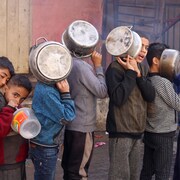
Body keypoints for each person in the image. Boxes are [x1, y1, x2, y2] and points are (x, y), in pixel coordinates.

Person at [105, 36, 155, 180]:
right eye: (141, 46)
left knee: (133, 176)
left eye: (146, 47)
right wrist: (130, 72)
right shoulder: (115, 68)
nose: (144, 51)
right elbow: (118, 98)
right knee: (119, 176)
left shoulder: (143, 68)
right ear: (130, 46)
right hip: (121, 132)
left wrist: (138, 75)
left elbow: (150, 96)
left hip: (138, 132)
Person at [61, 50, 107, 180]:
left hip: (72, 125)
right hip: (82, 127)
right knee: (79, 171)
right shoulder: (81, 66)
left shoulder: (68, 63)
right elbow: (102, 91)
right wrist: (98, 66)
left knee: (70, 169)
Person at [140, 43, 180, 180]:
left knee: (146, 171)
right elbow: (178, 104)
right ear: (156, 60)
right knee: (162, 173)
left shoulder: (147, 78)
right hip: (163, 134)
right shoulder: (162, 82)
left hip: (150, 132)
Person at [29, 78, 76, 180]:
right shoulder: (47, 91)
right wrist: (66, 93)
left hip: (44, 144)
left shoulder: (46, 86)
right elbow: (67, 116)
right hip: (45, 147)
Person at [0, 74, 32, 180]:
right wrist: (9, 109)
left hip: (19, 159)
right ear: (5, 88)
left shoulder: (17, 108)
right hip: (7, 163)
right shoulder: (4, 108)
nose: (18, 101)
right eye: (15, 95)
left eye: (22, 98)